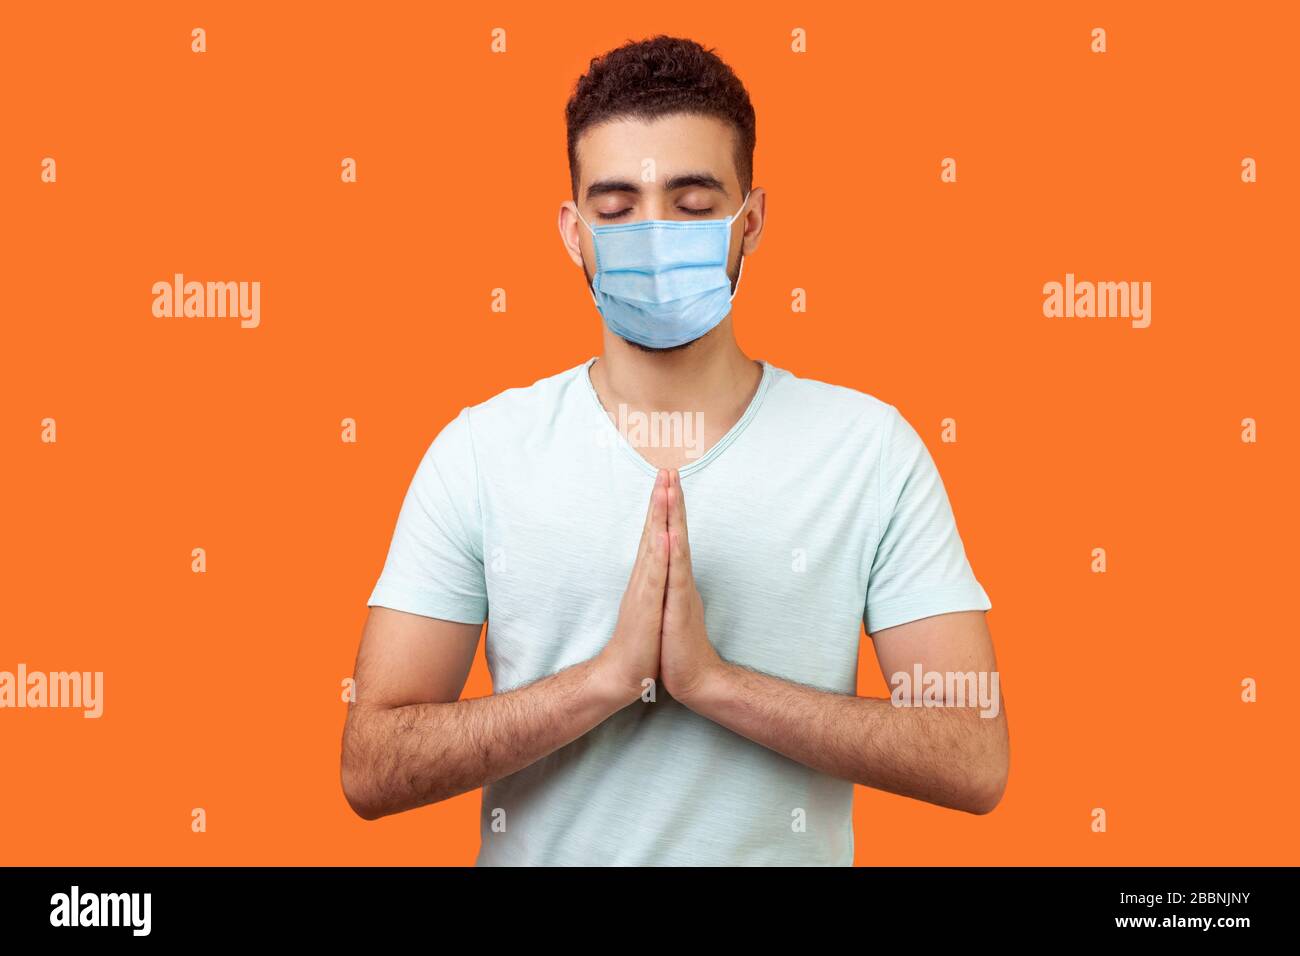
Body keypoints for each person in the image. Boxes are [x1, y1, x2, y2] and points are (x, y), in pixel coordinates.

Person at [341, 34, 1008, 866]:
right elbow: (372, 763)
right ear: (572, 230)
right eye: (617, 208)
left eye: (694, 205)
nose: (654, 235)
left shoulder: (870, 450)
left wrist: (713, 683)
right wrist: (605, 681)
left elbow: (973, 758)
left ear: (751, 220)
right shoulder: (479, 452)